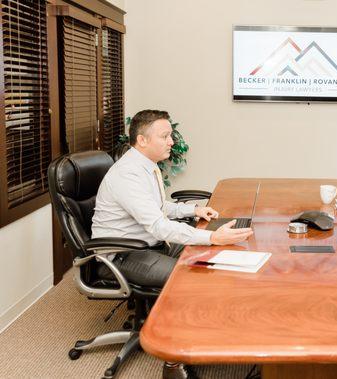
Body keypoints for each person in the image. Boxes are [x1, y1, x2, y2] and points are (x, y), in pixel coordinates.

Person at [92, 109, 253, 287]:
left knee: (217, 255)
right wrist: (213, 236)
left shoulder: (145, 165)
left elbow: (156, 206)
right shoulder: (128, 174)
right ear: (142, 140)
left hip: (152, 243)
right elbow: (158, 226)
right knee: (196, 276)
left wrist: (193, 210)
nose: (172, 142)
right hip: (124, 254)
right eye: (165, 136)